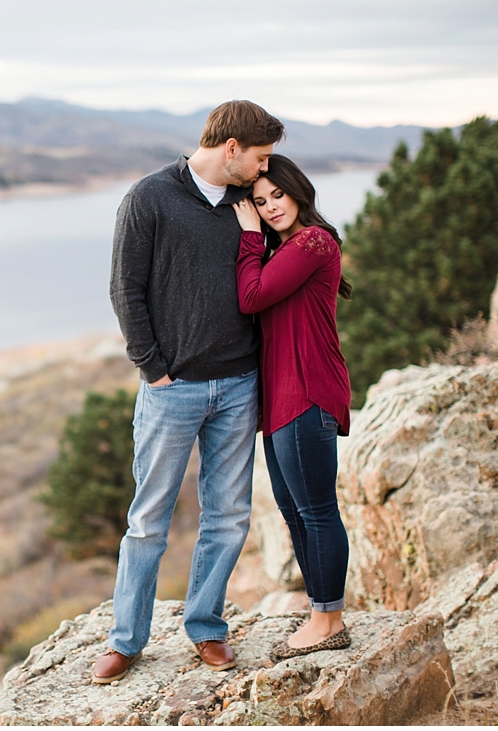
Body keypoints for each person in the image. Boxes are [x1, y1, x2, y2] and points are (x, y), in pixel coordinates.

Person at [96, 100, 285, 684]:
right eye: (259, 158)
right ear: (231, 148)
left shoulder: (246, 203)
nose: (264, 170)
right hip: (171, 390)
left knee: (228, 516)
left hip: (238, 384)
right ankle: (126, 641)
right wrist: (153, 369)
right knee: (149, 518)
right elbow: (125, 288)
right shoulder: (149, 198)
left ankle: (206, 629)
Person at [232, 154, 353, 659]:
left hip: (307, 391)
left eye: (276, 196)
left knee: (317, 510)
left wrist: (247, 236)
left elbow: (252, 296)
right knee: (294, 511)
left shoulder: (312, 242)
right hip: (280, 398)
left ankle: (330, 621)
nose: (270, 207)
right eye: (259, 203)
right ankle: (319, 614)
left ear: (297, 191)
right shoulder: (284, 248)